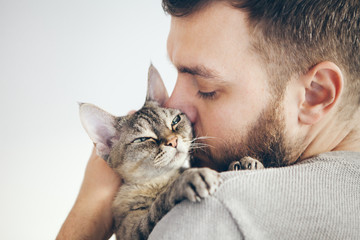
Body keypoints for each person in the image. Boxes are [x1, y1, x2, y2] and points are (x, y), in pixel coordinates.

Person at [57, 0, 360, 239]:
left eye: (206, 88)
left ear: (315, 94)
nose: (173, 106)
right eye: (177, 73)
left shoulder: (212, 210)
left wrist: (87, 217)